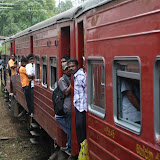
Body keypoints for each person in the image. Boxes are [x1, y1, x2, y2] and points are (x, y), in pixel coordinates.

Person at [67, 58, 87, 151]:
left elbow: (88, 90)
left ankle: (82, 151)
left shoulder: (81, 76)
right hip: (79, 107)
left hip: (82, 109)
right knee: (79, 131)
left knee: (81, 133)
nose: (71, 68)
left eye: (73, 66)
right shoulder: (76, 76)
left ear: (77, 66)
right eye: (69, 66)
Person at [55, 60, 71, 153]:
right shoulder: (62, 80)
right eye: (66, 69)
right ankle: (69, 146)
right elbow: (66, 92)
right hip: (67, 107)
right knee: (69, 127)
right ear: (63, 70)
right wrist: (73, 82)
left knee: (70, 127)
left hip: (74, 106)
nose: (69, 70)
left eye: (69, 68)